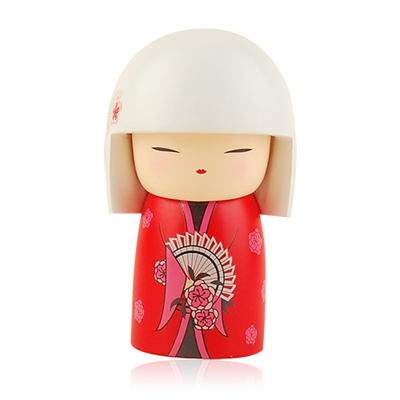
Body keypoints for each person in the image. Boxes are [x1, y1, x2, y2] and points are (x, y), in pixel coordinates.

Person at [105, 29, 296, 358]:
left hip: (237, 354)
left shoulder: (241, 212)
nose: (201, 168)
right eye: (166, 150)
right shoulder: (158, 208)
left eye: (237, 151)